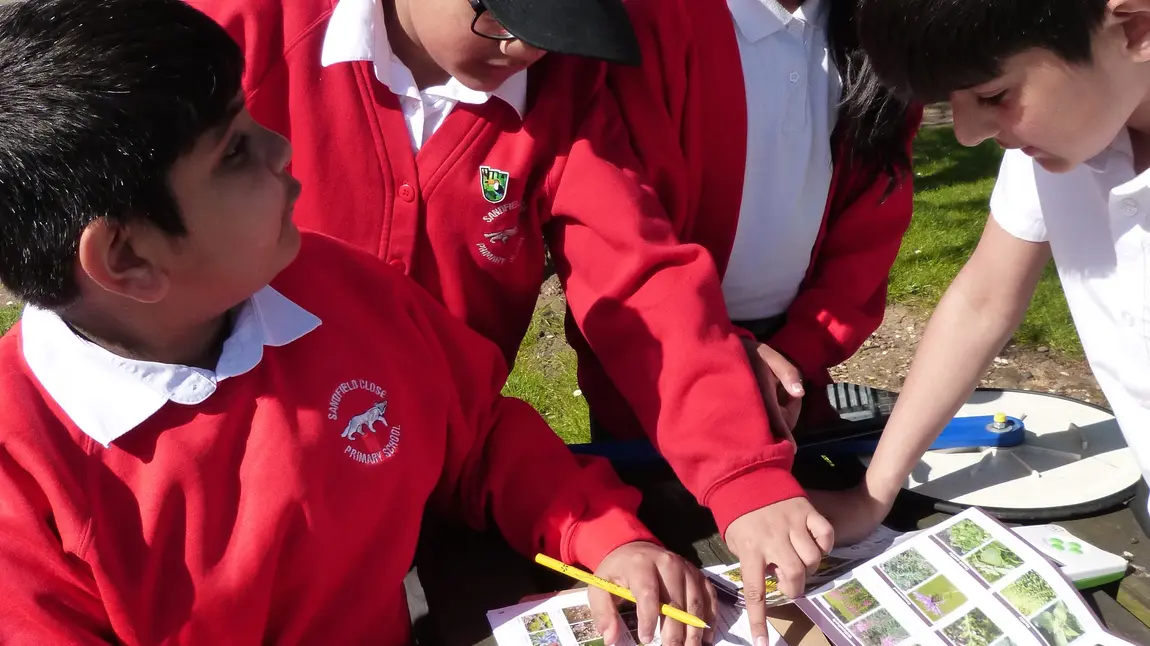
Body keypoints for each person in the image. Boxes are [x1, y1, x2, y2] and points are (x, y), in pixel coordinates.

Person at [0, 1, 718, 643]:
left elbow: (481, 435)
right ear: (124, 256)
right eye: (235, 152)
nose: (281, 147)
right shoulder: (25, 481)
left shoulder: (342, 290)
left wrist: (605, 537)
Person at [187, 0, 835, 618]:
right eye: (500, 15)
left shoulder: (560, 87)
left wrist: (743, 473)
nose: (524, 47)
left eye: (557, 23)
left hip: (451, 469)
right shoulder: (239, 34)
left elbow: (638, 276)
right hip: (246, 483)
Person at [809, 0, 1150, 544]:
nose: (966, 134)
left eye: (993, 95)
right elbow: (982, 303)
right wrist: (873, 496)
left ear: (1135, 26)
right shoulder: (1054, 150)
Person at [599, 0, 921, 445]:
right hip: (657, 356)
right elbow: (620, 221)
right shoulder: (655, 17)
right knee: (658, 507)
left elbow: (872, 221)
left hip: (794, 363)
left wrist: (798, 349)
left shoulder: (873, 31)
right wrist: (714, 352)